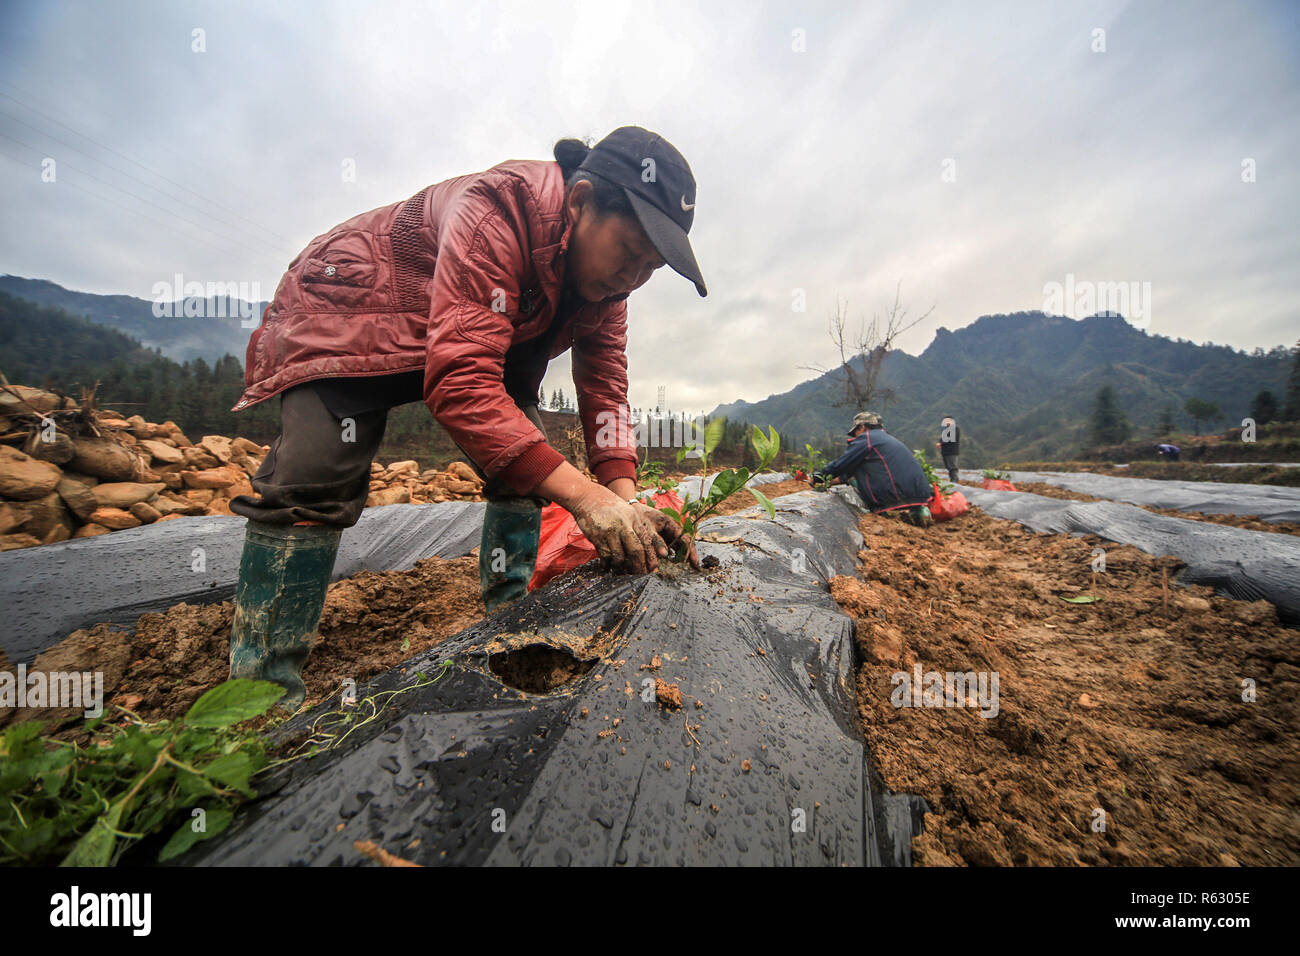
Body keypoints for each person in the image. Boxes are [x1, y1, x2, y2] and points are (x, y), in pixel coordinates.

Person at [226, 126, 704, 710]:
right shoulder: (497, 213)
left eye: (649, 267)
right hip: (351, 305)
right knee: (315, 472)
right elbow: (460, 381)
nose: (631, 277)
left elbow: (605, 390)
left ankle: (510, 624)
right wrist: (585, 498)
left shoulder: (605, 291)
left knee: (525, 461)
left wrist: (625, 500)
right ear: (579, 204)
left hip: (472, 328)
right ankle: (256, 701)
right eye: (628, 253)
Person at [811, 412, 933, 527]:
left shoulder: (867, 439)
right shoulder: (888, 440)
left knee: (857, 466)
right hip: (920, 495)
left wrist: (818, 477)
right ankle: (919, 510)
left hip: (894, 495)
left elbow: (842, 464)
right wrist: (830, 482)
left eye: (856, 432)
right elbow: (848, 472)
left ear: (863, 427)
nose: (856, 436)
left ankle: (882, 509)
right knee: (860, 463)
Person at [935, 416, 961, 481]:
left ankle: (955, 480)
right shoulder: (946, 430)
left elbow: (950, 439)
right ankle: (952, 479)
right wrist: (940, 442)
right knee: (949, 467)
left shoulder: (955, 429)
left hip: (952, 452)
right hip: (945, 452)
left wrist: (941, 443)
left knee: (953, 467)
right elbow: (942, 439)